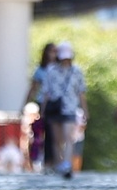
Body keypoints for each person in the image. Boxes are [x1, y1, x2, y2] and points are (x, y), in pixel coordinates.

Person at [43, 42, 88, 179]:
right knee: (57, 140)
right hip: (55, 108)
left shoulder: (77, 71)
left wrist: (85, 110)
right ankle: (59, 164)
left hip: (70, 108)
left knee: (69, 137)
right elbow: (46, 92)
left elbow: (81, 92)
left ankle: (67, 164)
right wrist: (43, 109)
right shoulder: (51, 70)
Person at [25, 42, 59, 171]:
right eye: (51, 51)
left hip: (57, 103)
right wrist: (26, 102)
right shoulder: (40, 70)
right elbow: (33, 88)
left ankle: (56, 160)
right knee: (44, 133)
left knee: (56, 133)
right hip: (44, 103)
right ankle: (47, 162)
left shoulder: (60, 68)